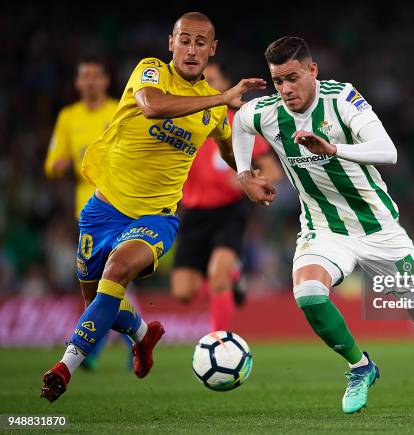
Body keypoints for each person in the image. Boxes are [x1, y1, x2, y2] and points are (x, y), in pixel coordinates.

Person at [232, 36, 414, 416]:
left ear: (312, 70)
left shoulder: (342, 100)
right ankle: (360, 366)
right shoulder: (267, 112)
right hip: (323, 229)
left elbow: (387, 150)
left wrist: (333, 148)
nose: (285, 89)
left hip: (379, 230)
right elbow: (241, 122)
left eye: (292, 78)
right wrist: (244, 174)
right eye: (278, 81)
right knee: (309, 293)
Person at [40, 12, 269, 403]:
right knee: (97, 298)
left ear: (213, 49)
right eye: (185, 40)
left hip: (156, 216)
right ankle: (143, 335)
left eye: (201, 43)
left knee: (116, 271)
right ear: (171, 43)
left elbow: (231, 149)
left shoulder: (215, 113)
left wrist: (246, 176)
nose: (192, 49)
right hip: (103, 208)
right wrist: (220, 96)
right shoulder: (151, 72)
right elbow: (152, 107)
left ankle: (64, 367)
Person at [171, 62, 281, 331]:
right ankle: (234, 274)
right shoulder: (182, 122)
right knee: (183, 291)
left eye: (213, 79)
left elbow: (272, 170)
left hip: (228, 212)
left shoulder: (238, 123)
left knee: (217, 278)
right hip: (193, 212)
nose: (206, 85)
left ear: (225, 85)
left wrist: (247, 177)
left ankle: (219, 342)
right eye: (201, 80)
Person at [44, 58, 133, 371]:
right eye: (85, 77)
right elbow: (53, 159)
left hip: (121, 207)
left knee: (115, 278)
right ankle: (129, 342)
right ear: (77, 83)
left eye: (96, 76)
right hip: (86, 212)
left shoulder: (119, 109)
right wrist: (57, 166)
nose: (91, 81)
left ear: (106, 80)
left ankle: (96, 349)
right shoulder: (68, 117)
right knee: (95, 284)